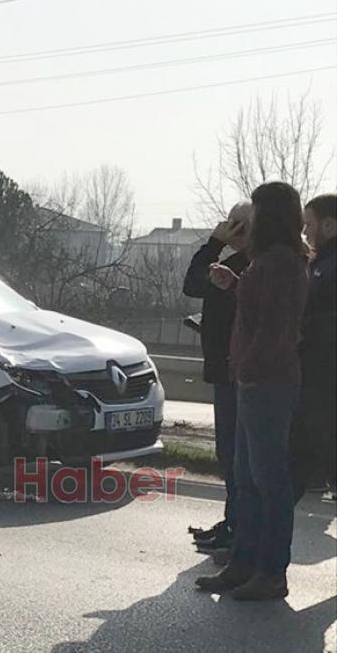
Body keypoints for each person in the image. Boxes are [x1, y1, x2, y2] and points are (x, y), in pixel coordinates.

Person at [196, 181, 309, 601]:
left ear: (270, 216)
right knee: (246, 478)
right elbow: (260, 305)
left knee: (268, 480)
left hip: (268, 382)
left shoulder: (281, 261)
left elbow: (275, 327)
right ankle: (243, 562)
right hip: (255, 380)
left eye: (256, 211)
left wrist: (248, 367)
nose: (250, 220)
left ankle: (271, 572)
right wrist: (235, 283)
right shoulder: (269, 260)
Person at [182, 200, 252, 552]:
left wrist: (214, 243)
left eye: (234, 223)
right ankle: (233, 522)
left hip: (234, 370)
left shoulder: (246, 266)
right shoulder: (239, 262)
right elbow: (196, 286)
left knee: (236, 455)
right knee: (231, 454)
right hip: (226, 367)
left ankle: (238, 528)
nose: (228, 227)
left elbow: (193, 283)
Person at [292, 193, 337, 502]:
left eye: (309, 224)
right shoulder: (319, 263)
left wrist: (304, 327)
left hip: (325, 368)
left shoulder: (330, 266)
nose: (305, 232)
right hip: (314, 365)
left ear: (329, 226)